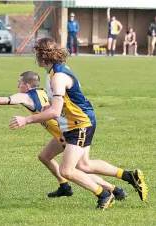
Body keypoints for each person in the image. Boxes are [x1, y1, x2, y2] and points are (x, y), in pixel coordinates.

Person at [9, 37, 148, 210]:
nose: (35, 56)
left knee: (66, 171)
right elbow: (72, 93)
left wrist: (27, 119)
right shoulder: (56, 71)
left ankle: (104, 194)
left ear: (43, 56)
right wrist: (54, 104)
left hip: (80, 124)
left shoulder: (57, 76)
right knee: (83, 165)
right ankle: (129, 176)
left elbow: (54, 112)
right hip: (74, 122)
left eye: (36, 52)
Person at [0, 71, 126, 200]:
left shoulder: (26, 96)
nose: (18, 86)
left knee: (78, 169)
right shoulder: (46, 91)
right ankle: (64, 186)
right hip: (68, 130)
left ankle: (114, 190)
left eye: (19, 83)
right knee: (45, 156)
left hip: (68, 134)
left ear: (27, 85)